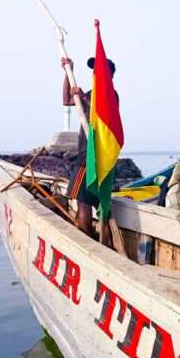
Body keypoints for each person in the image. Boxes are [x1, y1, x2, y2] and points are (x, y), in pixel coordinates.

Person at [63, 57, 118, 243]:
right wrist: (67, 72)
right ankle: (94, 238)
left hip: (92, 158)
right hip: (87, 157)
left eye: (99, 70)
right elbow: (67, 100)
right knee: (85, 201)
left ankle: (87, 241)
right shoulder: (92, 93)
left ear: (109, 75)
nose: (95, 74)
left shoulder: (111, 95)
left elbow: (100, 113)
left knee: (84, 202)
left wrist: (84, 97)